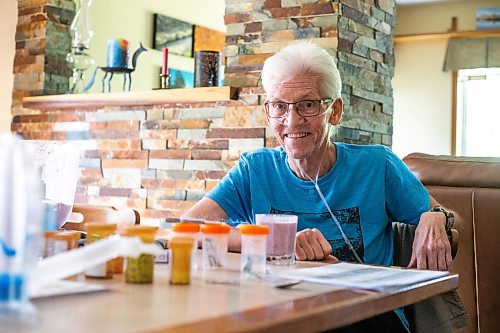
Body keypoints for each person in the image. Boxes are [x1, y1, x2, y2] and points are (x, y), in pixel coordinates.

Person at [182, 42, 455, 332]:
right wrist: (277, 241)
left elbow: (447, 216)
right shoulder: (254, 168)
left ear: (334, 111)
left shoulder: (377, 165)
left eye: (307, 104)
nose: (292, 120)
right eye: (279, 106)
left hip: (365, 315)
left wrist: (436, 215)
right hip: (278, 313)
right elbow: (190, 226)